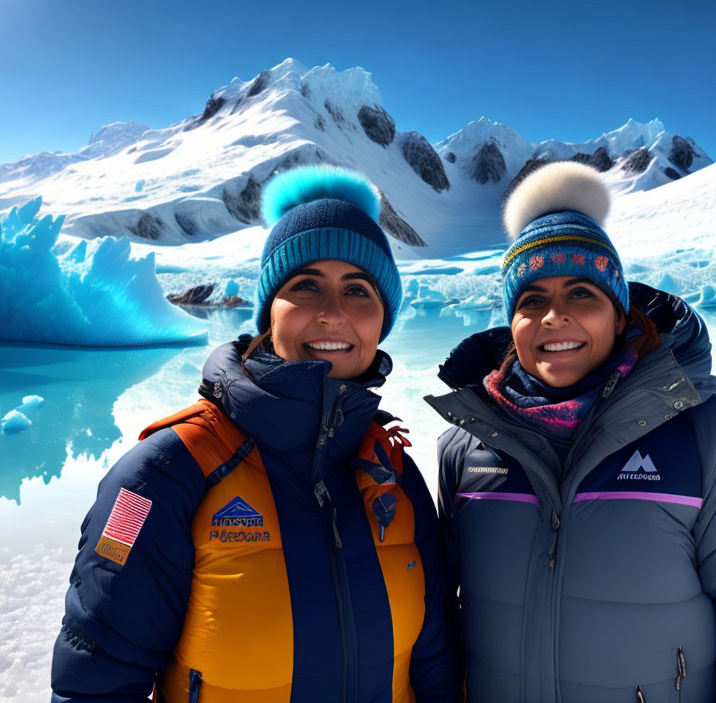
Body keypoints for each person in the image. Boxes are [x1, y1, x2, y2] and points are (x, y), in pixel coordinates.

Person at [51, 166, 462, 702]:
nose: (333, 312)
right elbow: (98, 679)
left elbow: (434, 667)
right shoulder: (160, 475)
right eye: (306, 285)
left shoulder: (393, 471)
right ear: (271, 310)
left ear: (382, 320)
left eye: (358, 290)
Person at [426, 162, 716, 702]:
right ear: (511, 323)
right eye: (530, 299)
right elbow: (441, 621)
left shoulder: (710, 436)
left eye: (582, 293)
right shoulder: (465, 450)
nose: (554, 316)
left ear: (618, 311)